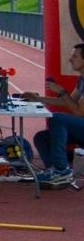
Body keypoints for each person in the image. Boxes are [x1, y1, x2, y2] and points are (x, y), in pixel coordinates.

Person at [25, 43, 84, 187]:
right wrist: (38, 99)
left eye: (75, 56)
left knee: (57, 118)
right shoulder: (82, 79)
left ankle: (61, 169)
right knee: (41, 138)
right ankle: (54, 171)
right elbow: (65, 102)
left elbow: (79, 112)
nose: (70, 59)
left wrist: (62, 91)